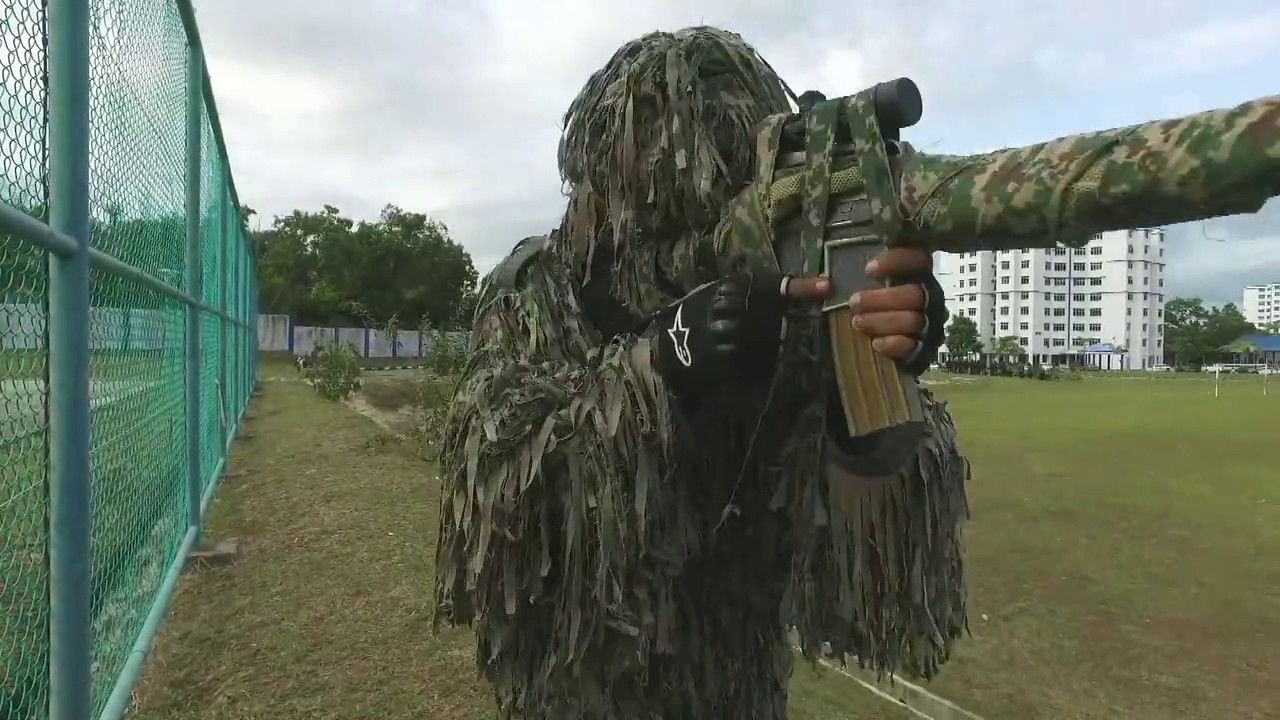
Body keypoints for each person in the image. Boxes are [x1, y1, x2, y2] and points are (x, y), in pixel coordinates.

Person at [433, 26, 969, 719]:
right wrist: (660, 368)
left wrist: (867, 383)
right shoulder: (536, 291)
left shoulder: (773, 296)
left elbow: (867, 600)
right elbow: (497, 528)